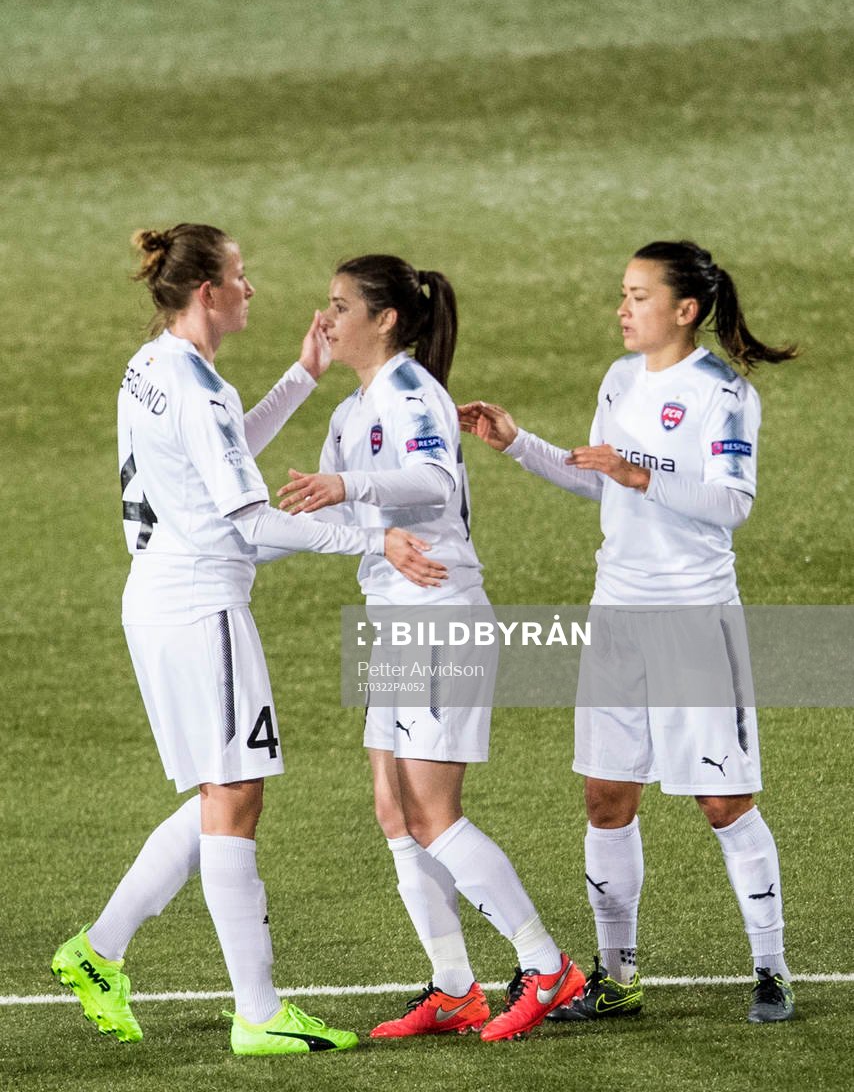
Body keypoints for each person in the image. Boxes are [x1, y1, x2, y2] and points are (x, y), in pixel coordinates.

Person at [51, 224, 446, 1057]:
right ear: (208, 294)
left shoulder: (156, 366)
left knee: (218, 794)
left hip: (160, 596)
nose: (251, 288)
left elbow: (221, 452)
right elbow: (246, 513)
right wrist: (373, 540)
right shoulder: (194, 389)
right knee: (237, 799)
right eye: (239, 276)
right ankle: (258, 1010)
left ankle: (99, 951)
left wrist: (301, 378)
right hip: (202, 608)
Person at [459, 240, 798, 1024]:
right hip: (617, 614)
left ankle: (772, 968)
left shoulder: (724, 394)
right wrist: (519, 444)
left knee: (723, 801)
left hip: (693, 619)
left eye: (639, 295)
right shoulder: (619, 380)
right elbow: (596, 473)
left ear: (685, 310)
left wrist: (641, 472)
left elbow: (731, 502)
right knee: (607, 798)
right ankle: (617, 977)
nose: (622, 307)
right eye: (623, 293)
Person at [276, 254, 584, 1042]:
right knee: (393, 810)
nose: (327, 317)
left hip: (439, 615)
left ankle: (546, 965)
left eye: (341, 305)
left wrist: (349, 491)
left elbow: (435, 483)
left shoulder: (413, 393)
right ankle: (454, 987)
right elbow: (344, 521)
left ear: (385, 320)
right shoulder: (352, 411)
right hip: (393, 615)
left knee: (433, 813)